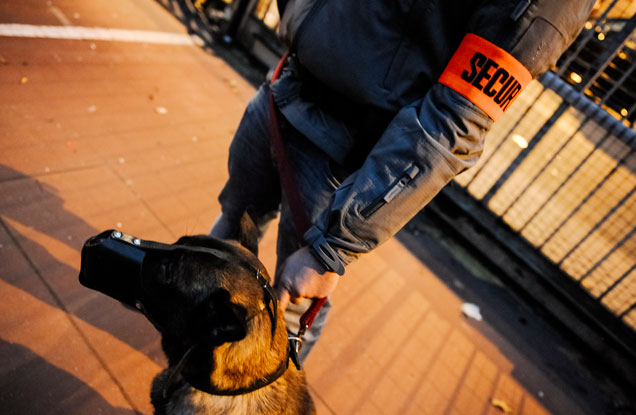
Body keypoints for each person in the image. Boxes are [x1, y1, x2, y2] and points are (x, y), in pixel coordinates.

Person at [210, 0, 594, 359]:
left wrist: (333, 248)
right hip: (287, 86)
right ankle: (199, 346)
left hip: (341, 154)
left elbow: (451, 122)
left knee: (289, 309)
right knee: (227, 231)